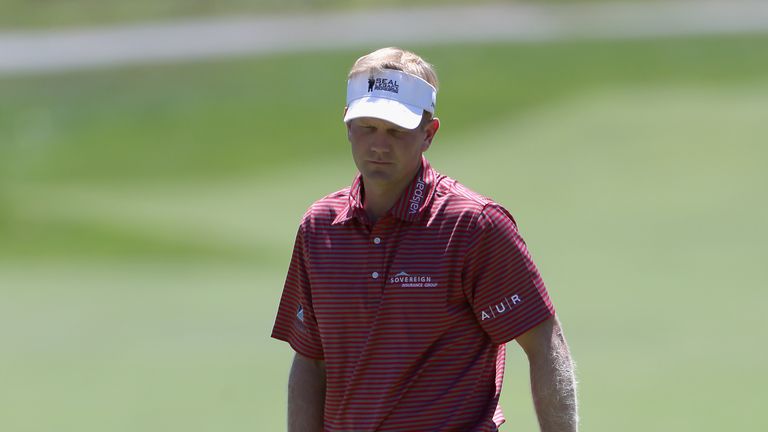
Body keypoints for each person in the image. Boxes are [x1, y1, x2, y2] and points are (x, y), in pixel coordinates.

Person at [271, 47, 578, 432]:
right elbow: (310, 360)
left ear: (428, 133)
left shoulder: (473, 225)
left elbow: (544, 343)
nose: (379, 145)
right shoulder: (319, 227)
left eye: (396, 131)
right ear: (348, 126)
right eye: (367, 127)